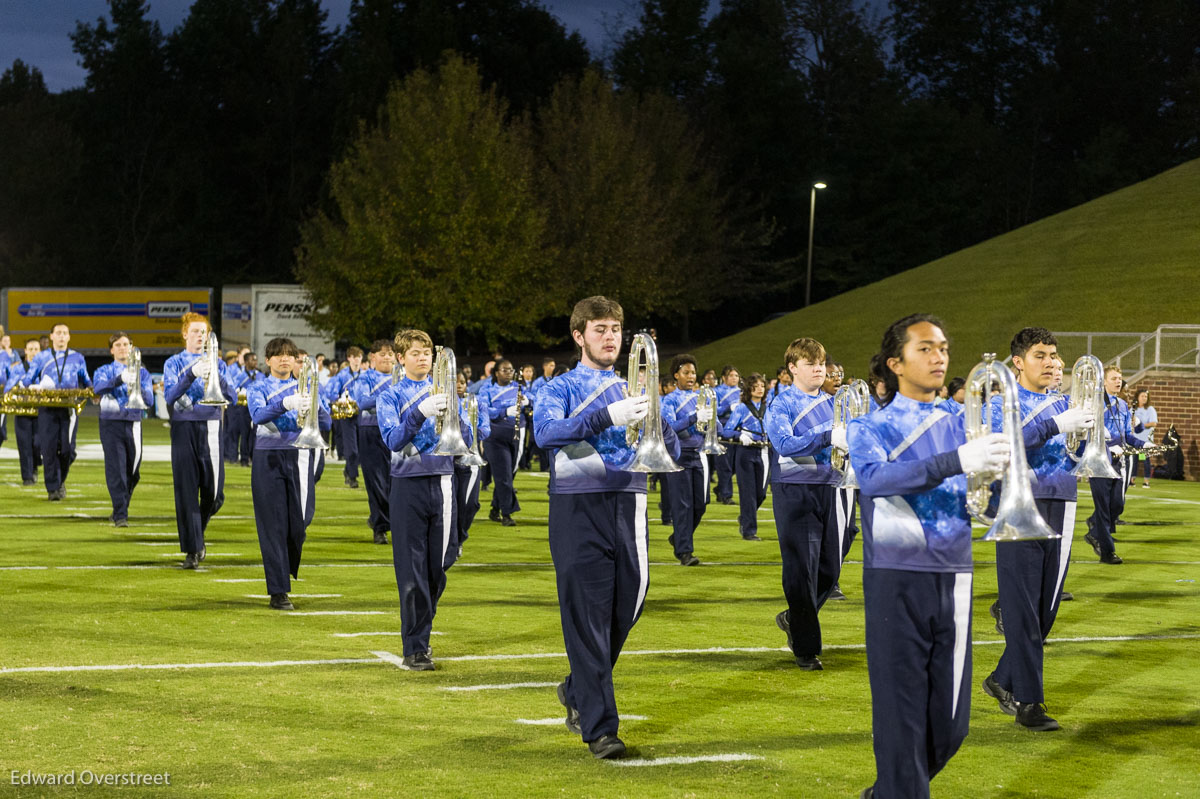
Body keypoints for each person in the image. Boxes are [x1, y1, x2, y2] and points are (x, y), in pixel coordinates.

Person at [849, 313, 1007, 799]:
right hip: (896, 578)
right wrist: (954, 461)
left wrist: (996, 483)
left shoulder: (966, 423)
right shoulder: (868, 426)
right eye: (925, 348)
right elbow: (876, 480)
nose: (939, 356)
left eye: (942, 347)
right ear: (895, 363)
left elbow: (987, 500)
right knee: (900, 720)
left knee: (951, 724)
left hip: (956, 574)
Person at [534, 296, 680, 759]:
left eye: (615, 329)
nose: (610, 337)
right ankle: (601, 729)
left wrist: (660, 416)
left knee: (629, 604)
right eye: (599, 330)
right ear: (578, 336)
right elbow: (546, 434)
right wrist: (605, 416)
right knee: (587, 618)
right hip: (578, 508)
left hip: (630, 502)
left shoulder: (632, 387)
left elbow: (671, 445)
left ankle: (578, 686)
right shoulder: (559, 387)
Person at [981, 328, 1095, 733]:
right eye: (1041, 355)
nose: (1051, 362)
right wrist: (1054, 424)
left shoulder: (1066, 401)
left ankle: (1001, 679)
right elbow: (1004, 444)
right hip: (1017, 505)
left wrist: (1093, 436)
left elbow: (1079, 452)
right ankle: (1030, 703)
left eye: (1054, 355)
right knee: (1024, 610)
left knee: (1045, 611)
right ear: (1019, 362)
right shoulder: (999, 404)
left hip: (1062, 501)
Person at [376, 329, 472, 670]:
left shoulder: (444, 390)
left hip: (445, 482)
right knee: (412, 570)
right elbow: (393, 439)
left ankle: (421, 630)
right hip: (408, 484)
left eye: (427, 353)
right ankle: (415, 645)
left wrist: (461, 415)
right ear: (401, 358)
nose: (423, 358)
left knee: (438, 566)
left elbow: (466, 440)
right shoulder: (389, 396)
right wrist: (420, 411)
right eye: (416, 353)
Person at [763, 337, 840, 670]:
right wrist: (827, 436)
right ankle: (807, 649)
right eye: (811, 363)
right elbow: (783, 443)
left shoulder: (837, 403)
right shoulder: (781, 405)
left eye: (821, 362)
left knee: (830, 567)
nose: (819, 368)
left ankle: (795, 617)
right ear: (792, 368)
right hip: (796, 489)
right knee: (801, 569)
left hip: (834, 486)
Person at [247, 337, 332, 610]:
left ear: (296, 360)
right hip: (268, 457)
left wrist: (315, 405)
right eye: (278, 355)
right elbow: (258, 416)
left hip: (300, 455)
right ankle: (279, 589)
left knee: (300, 522)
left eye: (289, 355)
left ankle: (284, 573)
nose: (284, 359)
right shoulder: (257, 387)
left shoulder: (307, 386)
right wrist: (286, 403)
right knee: (272, 525)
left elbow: (328, 422)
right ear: (268, 360)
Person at [162, 313, 236, 568]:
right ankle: (193, 549)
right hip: (183, 427)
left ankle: (198, 532)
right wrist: (191, 373)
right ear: (184, 334)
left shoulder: (218, 362)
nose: (200, 336)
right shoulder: (173, 363)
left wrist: (216, 372)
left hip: (212, 424)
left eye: (203, 332)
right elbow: (170, 396)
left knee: (215, 493)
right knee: (186, 490)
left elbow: (233, 397)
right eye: (195, 331)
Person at [20, 323, 91, 500]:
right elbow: (28, 380)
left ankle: (60, 480)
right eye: (58, 333)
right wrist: (31, 386)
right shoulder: (41, 357)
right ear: (51, 337)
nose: (61, 336)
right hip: (47, 408)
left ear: (69, 337)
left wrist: (92, 391)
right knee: (49, 449)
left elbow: (86, 380)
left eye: (64, 333)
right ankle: (53, 488)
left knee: (69, 450)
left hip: (69, 408)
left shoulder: (77, 357)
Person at [90, 333, 154, 527]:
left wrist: (136, 384)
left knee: (133, 471)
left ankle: (121, 506)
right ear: (111, 350)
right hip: (111, 423)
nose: (122, 348)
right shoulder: (104, 370)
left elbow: (150, 400)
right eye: (118, 345)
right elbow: (98, 389)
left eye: (126, 344)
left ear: (132, 347)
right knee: (116, 469)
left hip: (134, 421)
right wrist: (119, 379)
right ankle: (120, 514)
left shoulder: (142, 372)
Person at [1084, 365, 1144, 564]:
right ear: (1103, 382)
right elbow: (1089, 433)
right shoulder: (1094, 404)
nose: (1118, 381)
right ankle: (1107, 552)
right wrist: (1107, 447)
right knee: (1102, 508)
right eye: (1114, 378)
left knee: (1117, 503)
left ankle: (1094, 532)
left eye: (1120, 378)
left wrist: (1146, 444)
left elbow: (1127, 435)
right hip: (1100, 459)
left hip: (1119, 460)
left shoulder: (1123, 405)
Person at [659, 354, 713, 566]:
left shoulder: (702, 396)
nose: (691, 376)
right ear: (676, 375)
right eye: (686, 373)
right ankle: (684, 552)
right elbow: (668, 427)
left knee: (700, 505)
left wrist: (711, 420)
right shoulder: (670, 400)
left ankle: (678, 537)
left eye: (693, 373)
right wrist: (693, 418)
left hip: (699, 454)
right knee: (683, 505)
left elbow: (714, 427)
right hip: (678, 455)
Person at [351, 340, 397, 545]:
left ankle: (387, 520)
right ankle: (380, 526)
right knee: (376, 481)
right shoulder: (365, 378)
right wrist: (391, 394)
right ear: (372, 357)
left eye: (390, 354)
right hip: (371, 430)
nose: (387, 357)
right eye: (382, 353)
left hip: (399, 431)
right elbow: (362, 402)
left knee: (396, 481)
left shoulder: (403, 376)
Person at [720, 372, 769, 541]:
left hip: (763, 452)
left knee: (761, 493)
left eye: (762, 386)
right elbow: (726, 430)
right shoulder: (741, 408)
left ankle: (745, 517)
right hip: (745, 452)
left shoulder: (768, 407)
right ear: (749, 389)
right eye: (756, 386)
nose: (760, 389)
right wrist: (739, 436)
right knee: (747, 493)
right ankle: (749, 530)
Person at [478, 359, 526, 527]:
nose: (508, 372)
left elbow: (534, 400)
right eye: (504, 370)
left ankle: (495, 509)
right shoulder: (487, 389)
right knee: (504, 474)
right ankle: (507, 513)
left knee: (509, 474)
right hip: (495, 437)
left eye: (511, 369)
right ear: (496, 372)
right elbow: (483, 409)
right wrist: (504, 411)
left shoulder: (518, 388)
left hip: (516, 433)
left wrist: (528, 401)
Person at [454, 371, 490, 557]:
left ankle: (460, 538)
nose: (459, 385)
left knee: (470, 504)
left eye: (462, 382)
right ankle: (452, 541)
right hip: (448, 461)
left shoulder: (476, 403)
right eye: (455, 382)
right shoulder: (444, 402)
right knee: (451, 504)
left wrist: (469, 431)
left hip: (470, 460)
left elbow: (485, 430)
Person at [324, 345, 365, 488]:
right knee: (351, 448)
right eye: (354, 357)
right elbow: (329, 392)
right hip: (346, 415)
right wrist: (340, 399)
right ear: (349, 358)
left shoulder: (366, 374)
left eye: (359, 357)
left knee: (360, 448)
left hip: (362, 414)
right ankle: (352, 477)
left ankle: (348, 470)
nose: (356, 360)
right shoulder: (342, 375)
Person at [7, 339, 41, 485]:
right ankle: (27, 477)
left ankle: (34, 465)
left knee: (38, 444)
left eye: (36, 349)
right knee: (24, 445)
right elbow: (9, 387)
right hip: (22, 411)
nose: (33, 352)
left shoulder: (45, 368)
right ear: (25, 351)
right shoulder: (17, 368)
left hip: (40, 411)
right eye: (30, 349)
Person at [713, 365, 741, 505]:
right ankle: (726, 494)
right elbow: (713, 410)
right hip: (723, 429)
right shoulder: (716, 391)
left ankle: (720, 488)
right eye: (731, 375)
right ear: (724, 377)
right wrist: (727, 408)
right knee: (724, 464)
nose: (734, 378)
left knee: (736, 464)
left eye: (736, 376)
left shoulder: (742, 392)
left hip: (738, 431)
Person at [1132, 389, 1157, 487]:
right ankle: (1132, 480)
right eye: (1142, 396)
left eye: (1146, 396)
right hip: (1135, 440)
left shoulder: (1150, 409)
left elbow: (1154, 423)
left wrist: (1141, 425)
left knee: (1145, 460)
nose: (1144, 398)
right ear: (1137, 397)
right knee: (1134, 460)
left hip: (1145, 440)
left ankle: (1146, 481)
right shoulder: (1134, 409)